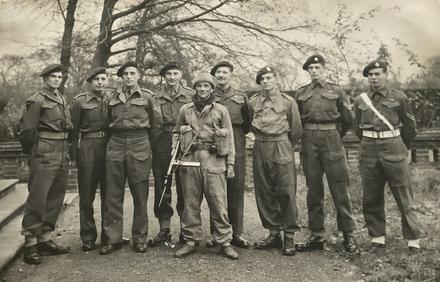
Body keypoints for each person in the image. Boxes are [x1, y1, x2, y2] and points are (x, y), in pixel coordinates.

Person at [353, 60, 424, 254]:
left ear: (385, 74)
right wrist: (371, 140)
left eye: (377, 74)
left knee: (403, 194)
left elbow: (410, 128)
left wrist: (400, 147)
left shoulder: (398, 98)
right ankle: (378, 238)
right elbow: (356, 126)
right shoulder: (360, 100)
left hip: (393, 146)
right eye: (370, 75)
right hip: (368, 149)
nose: (373, 78)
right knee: (371, 194)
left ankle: (413, 240)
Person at [294, 54, 357, 253]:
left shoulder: (337, 91)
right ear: (308, 71)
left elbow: (348, 119)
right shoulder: (301, 93)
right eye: (310, 68)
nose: (314, 71)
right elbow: (297, 121)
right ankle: (316, 235)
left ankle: (349, 235)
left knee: (340, 188)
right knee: (313, 189)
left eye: (317, 67)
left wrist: (336, 135)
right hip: (309, 140)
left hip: (332, 139)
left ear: (324, 69)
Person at [173, 73, 238, 260]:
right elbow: (176, 134)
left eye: (206, 86)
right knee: (190, 202)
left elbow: (230, 139)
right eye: (199, 86)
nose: (202, 89)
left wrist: (230, 163)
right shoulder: (186, 109)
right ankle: (191, 241)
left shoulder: (221, 110)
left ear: (211, 89)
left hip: (214, 159)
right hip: (191, 159)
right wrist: (174, 155)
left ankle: (224, 241)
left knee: (218, 203)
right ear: (195, 88)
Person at [100, 62, 162, 255]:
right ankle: (113, 239)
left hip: (139, 143)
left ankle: (140, 238)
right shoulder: (111, 97)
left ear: (138, 75)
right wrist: (115, 141)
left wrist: (145, 143)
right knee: (113, 194)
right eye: (125, 73)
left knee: (140, 193)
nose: (128, 76)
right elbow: (105, 123)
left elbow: (157, 125)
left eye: (132, 73)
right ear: (121, 77)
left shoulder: (148, 97)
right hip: (116, 143)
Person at [18, 63, 72, 264]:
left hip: (61, 150)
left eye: (59, 77)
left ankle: (45, 239)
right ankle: (30, 243)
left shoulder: (60, 97)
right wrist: (32, 153)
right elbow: (27, 131)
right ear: (44, 79)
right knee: (38, 198)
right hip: (44, 151)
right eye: (53, 77)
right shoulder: (36, 100)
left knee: (56, 196)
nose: (56, 80)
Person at [249, 66, 303, 256]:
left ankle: (289, 235)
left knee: (286, 191)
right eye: (262, 78)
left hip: (281, 145)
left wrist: (285, 145)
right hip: (261, 146)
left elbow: (296, 129)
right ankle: (273, 233)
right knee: (264, 190)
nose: (266, 81)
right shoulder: (253, 102)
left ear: (276, 79)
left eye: (269, 77)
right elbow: (250, 123)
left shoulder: (289, 102)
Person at [204, 61, 251, 249]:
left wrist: (236, 136)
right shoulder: (208, 95)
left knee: (236, 186)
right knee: (214, 188)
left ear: (231, 74)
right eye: (218, 72)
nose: (221, 75)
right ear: (214, 76)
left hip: (236, 139)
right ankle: (217, 233)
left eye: (225, 72)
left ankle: (236, 233)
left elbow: (248, 121)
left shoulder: (240, 95)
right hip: (213, 141)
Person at [149, 62, 194, 247]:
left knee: (186, 185)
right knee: (162, 184)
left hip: (185, 141)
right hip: (162, 139)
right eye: (168, 74)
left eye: (175, 73)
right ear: (163, 76)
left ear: (181, 74)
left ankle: (186, 229)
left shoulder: (191, 95)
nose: (172, 77)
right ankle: (164, 229)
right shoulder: (154, 97)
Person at [70, 67, 110, 252]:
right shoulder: (79, 102)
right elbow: (73, 130)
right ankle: (87, 236)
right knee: (87, 194)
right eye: (96, 79)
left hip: (109, 146)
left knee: (110, 194)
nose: (100, 82)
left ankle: (109, 235)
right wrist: (74, 155)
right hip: (88, 145)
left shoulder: (113, 99)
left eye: (103, 78)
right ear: (90, 82)